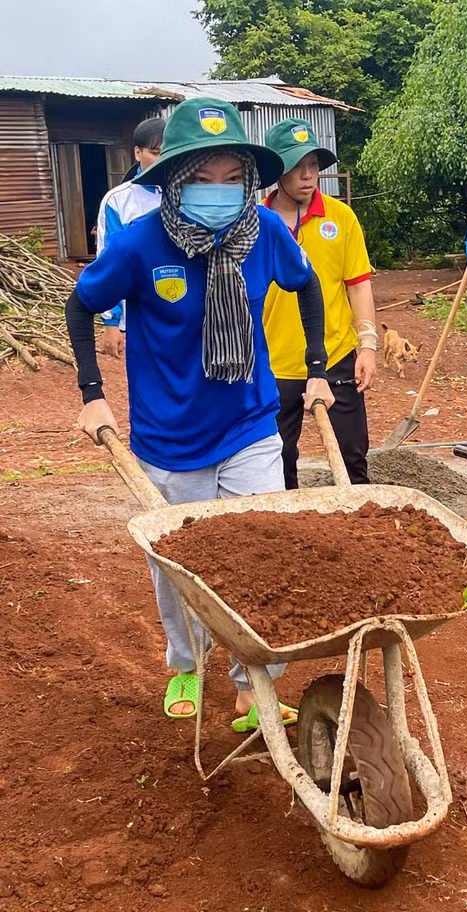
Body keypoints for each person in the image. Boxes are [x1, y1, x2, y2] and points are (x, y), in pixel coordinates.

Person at [65, 98, 335, 727]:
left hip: (249, 422)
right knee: (179, 568)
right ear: (174, 181)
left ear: (249, 180)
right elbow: (81, 307)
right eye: (203, 180)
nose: (220, 193)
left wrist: (318, 371)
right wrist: (91, 393)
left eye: (233, 179)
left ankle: (251, 682)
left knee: (260, 553)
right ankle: (187, 662)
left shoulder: (265, 233)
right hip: (169, 437)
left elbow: (307, 285)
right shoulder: (140, 243)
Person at [262, 119, 376, 486]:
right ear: (277, 170)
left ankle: (360, 528)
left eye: (313, 165)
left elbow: (358, 285)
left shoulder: (341, 218)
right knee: (278, 458)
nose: (308, 175)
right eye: (297, 166)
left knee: (352, 452)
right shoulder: (255, 223)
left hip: (336, 355)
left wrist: (368, 346)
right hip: (273, 361)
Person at [95, 117, 166, 358]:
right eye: (155, 152)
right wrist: (111, 321)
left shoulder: (187, 194)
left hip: (182, 309)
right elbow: (109, 262)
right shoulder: (118, 201)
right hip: (138, 312)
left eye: (168, 152)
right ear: (138, 152)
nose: (162, 159)